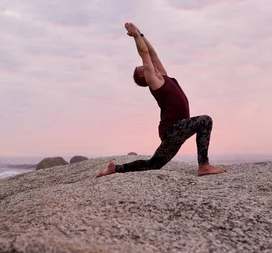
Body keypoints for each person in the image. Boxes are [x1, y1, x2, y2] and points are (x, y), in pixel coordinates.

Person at [96, 22, 227, 178]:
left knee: (154, 164)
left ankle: (115, 169)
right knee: (205, 121)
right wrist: (135, 36)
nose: (147, 64)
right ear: (144, 75)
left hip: (175, 130)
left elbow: (152, 54)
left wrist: (141, 34)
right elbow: (144, 54)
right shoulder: (155, 82)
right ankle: (204, 165)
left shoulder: (163, 76)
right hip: (172, 129)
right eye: (142, 67)